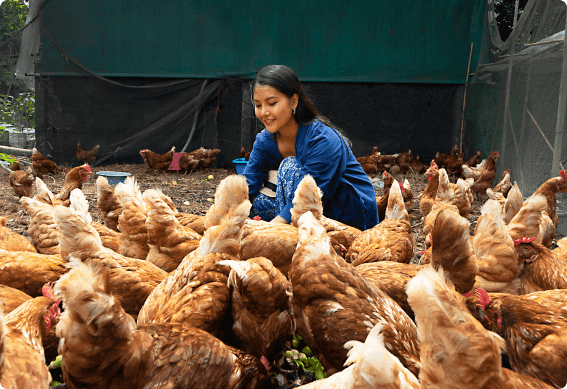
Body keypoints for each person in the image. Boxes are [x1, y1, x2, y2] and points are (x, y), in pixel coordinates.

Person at [242, 65, 379, 231]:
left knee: (290, 167)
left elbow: (307, 197)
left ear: (293, 101)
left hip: (348, 212)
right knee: (251, 205)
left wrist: (269, 233)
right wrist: (220, 223)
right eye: (258, 105)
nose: (264, 112)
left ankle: (291, 239)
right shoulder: (265, 140)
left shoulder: (322, 139)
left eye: (272, 103)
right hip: (305, 208)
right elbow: (247, 184)